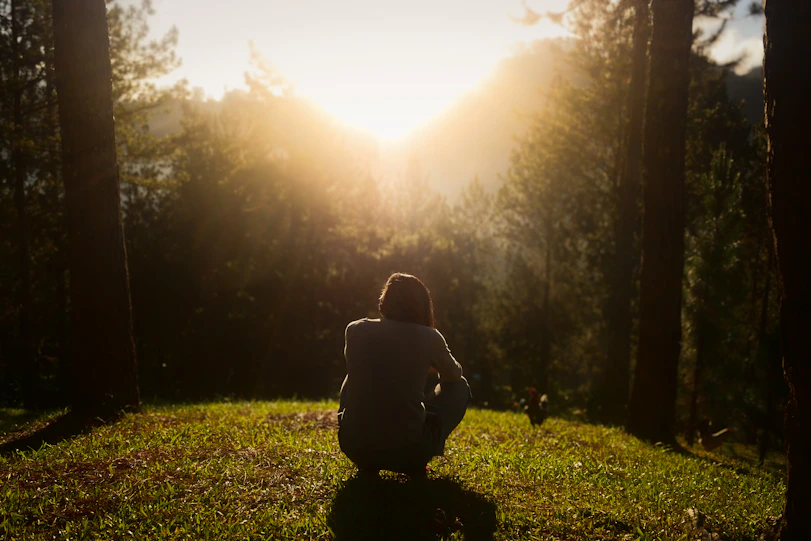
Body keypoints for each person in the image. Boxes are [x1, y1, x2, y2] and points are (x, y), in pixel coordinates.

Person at [338, 273, 471, 477]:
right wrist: (427, 363)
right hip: (408, 452)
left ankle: (369, 456)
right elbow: (453, 375)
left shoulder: (355, 329)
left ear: (384, 301)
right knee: (460, 387)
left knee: (352, 376)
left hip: (355, 447)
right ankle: (421, 451)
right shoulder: (429, 337)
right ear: (423, 306)